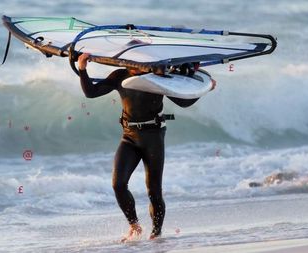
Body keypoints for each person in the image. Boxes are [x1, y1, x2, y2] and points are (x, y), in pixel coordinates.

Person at [77, 52, 216, 241]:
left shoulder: (156, 78)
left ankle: (156, 233)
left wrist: (205, 89)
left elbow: (183, 102)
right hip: (129, 137)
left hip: (153, 136)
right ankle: (134, 225)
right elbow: (91, 93)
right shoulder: (120, 75)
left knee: (154, 191)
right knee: (118, 185)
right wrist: (82, 68)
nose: (137, 66)